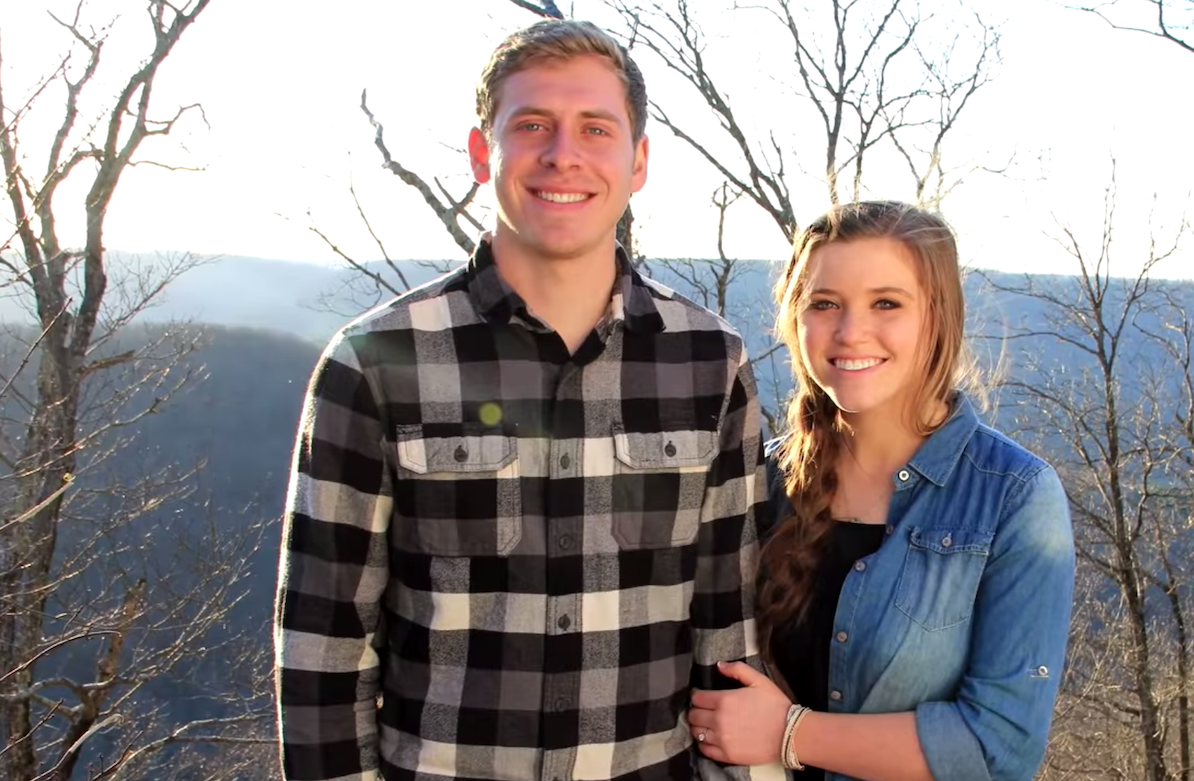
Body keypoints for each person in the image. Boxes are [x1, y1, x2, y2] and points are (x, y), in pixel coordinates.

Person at [275, 19, 779, 781]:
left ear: (638, 161)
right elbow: (324, 647)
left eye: (595, 128)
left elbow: (726, 636)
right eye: (533, 124)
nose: (562, 154)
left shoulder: (709, 361)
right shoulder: (374, 361)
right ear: (484, 153)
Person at [685, 201, 1075, 781]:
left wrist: (791, 734)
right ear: (795, 320)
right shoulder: (760, 483)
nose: (849, 331)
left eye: (886, 303)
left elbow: (999, 746)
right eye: (824, 304)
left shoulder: (1014, 497)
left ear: (938, 318)